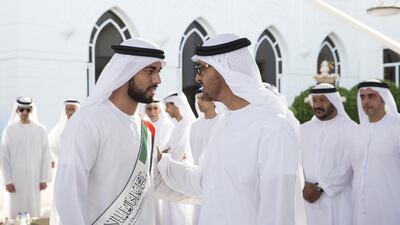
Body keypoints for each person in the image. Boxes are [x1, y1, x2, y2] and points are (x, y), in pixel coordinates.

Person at [157, 33, 300, 225]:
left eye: (201, 68)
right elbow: (203, 183)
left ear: (224, 70)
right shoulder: (225, 122)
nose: (197, 77)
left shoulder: (273, 127)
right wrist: (160, 161)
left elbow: (278, 213)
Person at [53, 38, 188, 225]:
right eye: (150, 71)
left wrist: (215, 187)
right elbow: (69, 195)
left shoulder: (146, 128)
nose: (158, 80)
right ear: (126, 73)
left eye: (158, 71)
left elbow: (154, 183)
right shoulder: (88, 123)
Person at [319, 80, 400, 225]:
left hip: (392, 207)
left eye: (371, 96)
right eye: (362, 97)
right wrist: (320, 187)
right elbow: (345, 168)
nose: (366, 101)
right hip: (360, 210)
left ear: (383, 98)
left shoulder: (397, 128)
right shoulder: (357, 132)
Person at [300, 83, 355, 225]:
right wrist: (302, 185)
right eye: (315, 100)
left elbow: (349, 164)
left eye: (323, 100)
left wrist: (321, 187)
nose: (317, 104)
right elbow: (294, 162)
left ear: (334, 101)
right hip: (306, 198)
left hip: (337, 200)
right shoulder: (303, 130)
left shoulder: (350, 129)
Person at [0, 96, 52, 218]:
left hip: (34, 180)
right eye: (21, 109)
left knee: (33, 212)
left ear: (31, 111)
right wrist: (8, 180)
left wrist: (43, 178)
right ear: (17, 111)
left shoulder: (40, 130)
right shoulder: (9, 131)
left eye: (27, 110)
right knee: (15, 212)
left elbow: (46, 155)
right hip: (15, 180)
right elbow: (4, 157)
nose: (24, 113)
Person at [161, 92, 195, 225]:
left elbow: (177, 153)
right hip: (173, 174)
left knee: (180, 212)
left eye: (168, 106)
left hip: (180, 175)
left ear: (176, 105)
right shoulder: (178, 126)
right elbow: (167, 146)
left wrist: (163, 156)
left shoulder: (186, 126)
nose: (166, 110)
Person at [190, 90, 219, 225]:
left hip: (218, 180)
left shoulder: (222, 123)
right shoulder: (195, 126)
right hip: (199, 178)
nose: (199, 102)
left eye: (203, 98)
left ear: (213, 101)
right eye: (198, 99)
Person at [144, 100, 174, 225]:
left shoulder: (168, 125)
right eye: (149, 109)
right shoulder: (143, 125)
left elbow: (167, 148)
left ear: (160, 110)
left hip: (161, 171)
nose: (152, 112)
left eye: (155, 108)